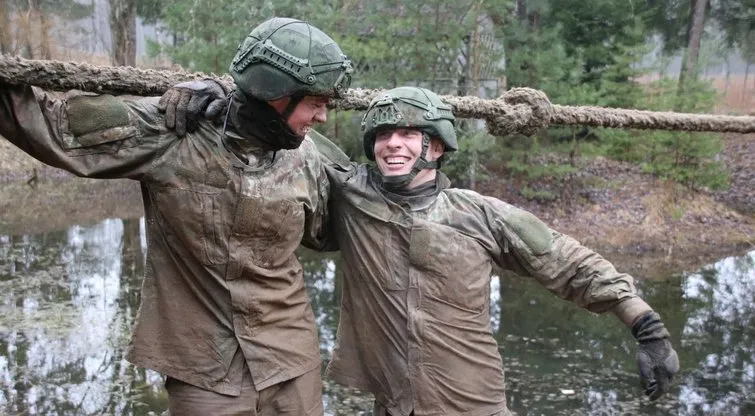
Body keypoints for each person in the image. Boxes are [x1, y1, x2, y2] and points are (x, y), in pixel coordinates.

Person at [165, 84, 680, 415]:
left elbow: (569, 263)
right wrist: (219, 90)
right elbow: (281, 127)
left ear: (434, 146)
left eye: (409, 134)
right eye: (384, 134)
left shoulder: (478, 213)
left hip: (474, 403)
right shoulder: (350, 192)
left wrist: (646, 326)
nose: (393, 143)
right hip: (393, 405)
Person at [0, 17, 353, 415]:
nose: (323, 117)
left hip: (292, 362)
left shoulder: (306, 156)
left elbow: (342, 222)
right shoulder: (173, 132)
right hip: (204, 371)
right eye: (315, 103)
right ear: (275, 95)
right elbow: (54, 126)